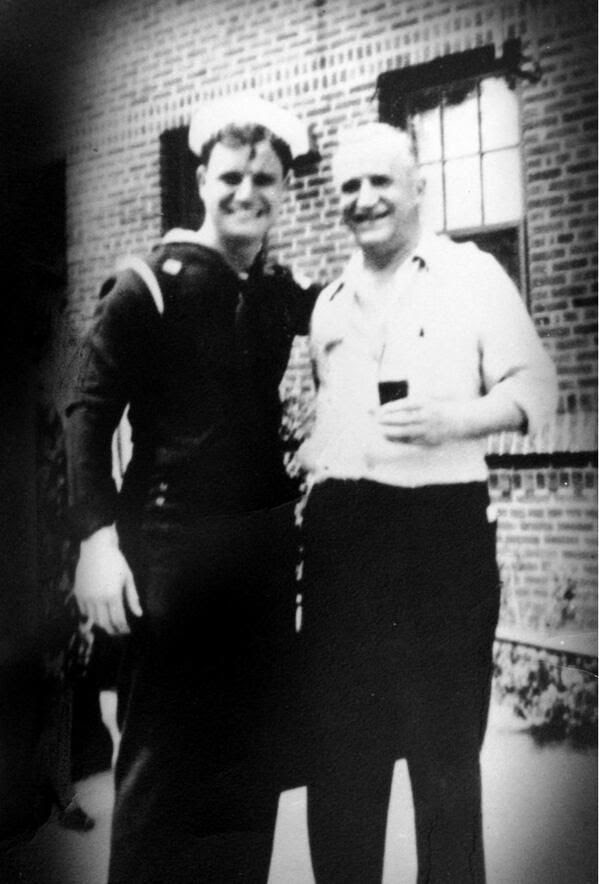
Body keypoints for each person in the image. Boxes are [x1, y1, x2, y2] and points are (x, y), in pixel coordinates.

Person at [64, 93, 319, 884]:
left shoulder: (275, 292)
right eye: (231, 176)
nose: (247, 193)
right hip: (172, 558)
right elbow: (87, 414)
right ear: (202, 179)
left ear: (284, 188)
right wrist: (96, 541)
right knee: (162, 772)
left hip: (261, 563)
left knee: (247, 770)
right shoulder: (147, 284)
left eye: (264, 179)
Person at [297, 123, 558, 883]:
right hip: (344, 544)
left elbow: (536, 389)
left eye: (380, 181)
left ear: (418, 187)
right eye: (349, 186)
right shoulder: (329, 303)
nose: (364, 199)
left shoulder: (471, 275)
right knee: (341, 768)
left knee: (444, 766)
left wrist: (454, 419)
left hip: (439, 536)